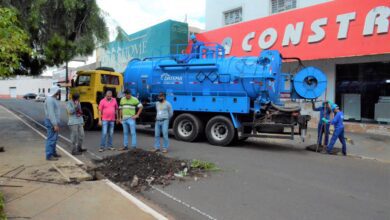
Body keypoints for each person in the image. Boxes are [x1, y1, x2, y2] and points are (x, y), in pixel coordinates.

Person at [44, 85, 61, 161]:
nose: (59, 92)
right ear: (55, 91)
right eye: (58, 91)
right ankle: (49, 155)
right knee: (51, 139)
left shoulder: (53, 99)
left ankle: (53, 152)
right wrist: (54, 124)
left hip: (54, 122)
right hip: (51, 122)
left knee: (54, 139)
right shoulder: (50, 100)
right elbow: (51, 113)